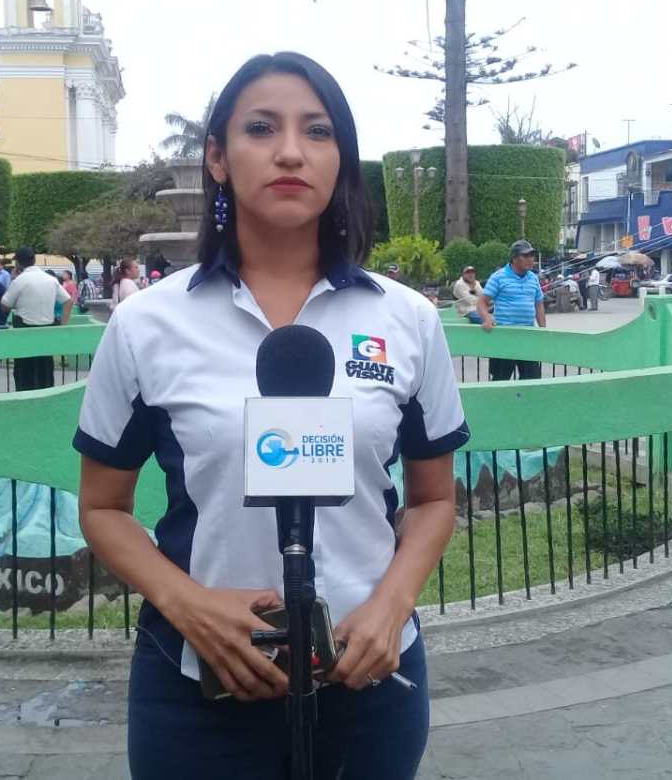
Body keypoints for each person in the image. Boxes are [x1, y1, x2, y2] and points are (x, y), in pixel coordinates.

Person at [74, 52, 468, 780]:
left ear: (341, 159)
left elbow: (434, 496)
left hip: (368, 680)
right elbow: (103, 508)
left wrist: (392, 606)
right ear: (219, 159)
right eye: (262, 128)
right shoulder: (147, 324)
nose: (291, 151)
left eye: (317, 131)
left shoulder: (407, 319)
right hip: (198, 685)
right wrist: (186, 604)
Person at [0, 246, 69, 391]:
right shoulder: (50, 279)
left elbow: (4, 306)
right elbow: (68, 301)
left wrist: (13, 281)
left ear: (18, 263)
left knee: (24, 373)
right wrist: (63, 325)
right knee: (45, 370)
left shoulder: (19, 281)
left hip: (25, 333)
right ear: (34, 259)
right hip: (46, 332)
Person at [477, 240, 546, 381]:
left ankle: (525, 403)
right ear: (514, 258)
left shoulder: (533, 278)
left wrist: (543, 330)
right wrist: (487, 318)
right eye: (525, 256)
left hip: (528, 336)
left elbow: (539, 304)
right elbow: (481, 302)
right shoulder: (498, 277)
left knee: (532, 379)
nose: (530, 259)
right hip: (504, 337)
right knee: (500, 379)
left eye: (532, 255)